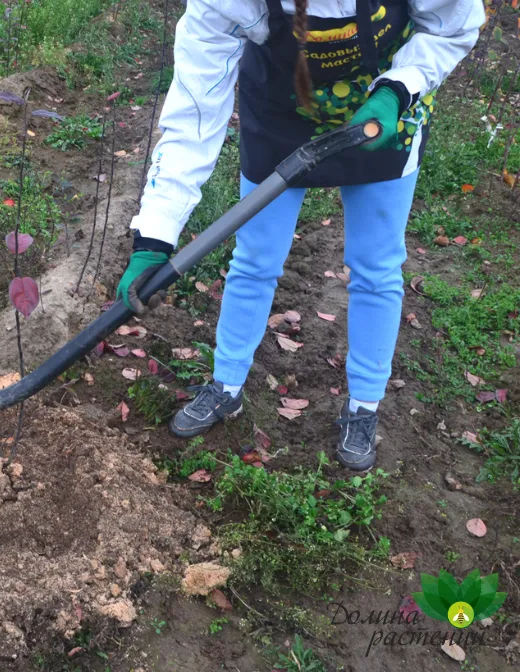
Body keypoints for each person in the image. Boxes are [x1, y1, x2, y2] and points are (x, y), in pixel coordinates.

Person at [116, 0, 485, 470]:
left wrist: (399, 88)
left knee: (376, 265)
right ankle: (226, 386)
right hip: (280, 110)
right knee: (254, 257)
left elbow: (453, 25)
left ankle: (363, 407)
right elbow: (194, 104)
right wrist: (155, 236)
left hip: (385, 109)